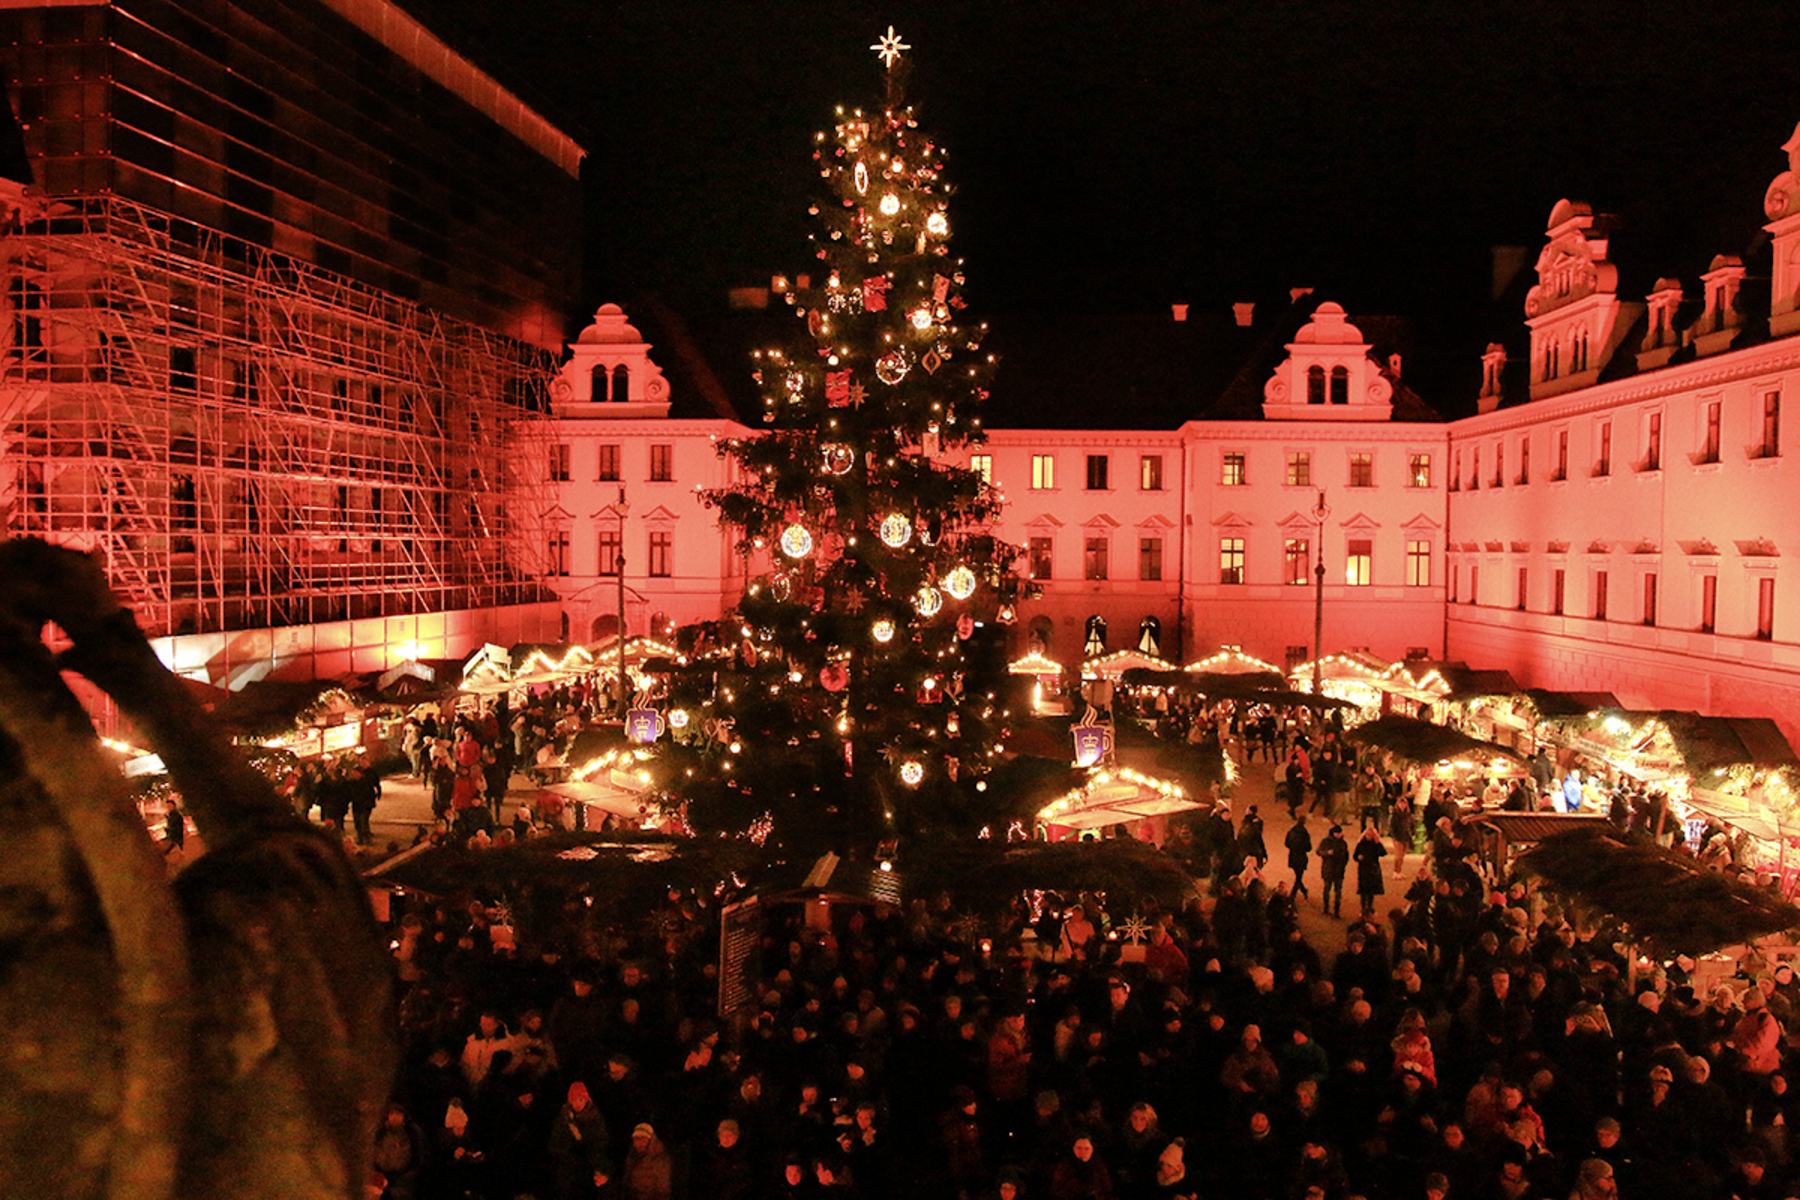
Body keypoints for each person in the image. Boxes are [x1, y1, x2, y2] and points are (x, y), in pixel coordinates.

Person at [1353, 823, 1386, 918]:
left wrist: (1378, 842)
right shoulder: (1361, 844)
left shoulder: (1375, 844)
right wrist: (1358, 857)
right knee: (1363, 890)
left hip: (1373, 868)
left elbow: (1383, 853)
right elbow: (1354, 856)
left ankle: (1370, 907)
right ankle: (1364, 908)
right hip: (1363, 869)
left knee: (1371, 891)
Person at [1318, 825, 1350, 917]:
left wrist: (1343, 865)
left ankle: (1336, 910)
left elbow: (1346, 856)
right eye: (1338, 833)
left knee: (1337, 891)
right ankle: (1326, 908)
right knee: (1327, 889)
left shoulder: (1343, 843)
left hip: (1338, 870)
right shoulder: (1326, 842)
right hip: (1329, 869)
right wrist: (1327, 853)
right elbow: (1319, 851)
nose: (1339, 835)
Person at [1284, 813, 1313, 900]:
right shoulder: (1305, 833)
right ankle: (1293, 893)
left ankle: (1303, 890)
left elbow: (1286, 843)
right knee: (1299, 876)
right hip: (1301, 856)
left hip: (1293, 855)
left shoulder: (1292, 831)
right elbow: (1309, 848)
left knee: (1298, 874)